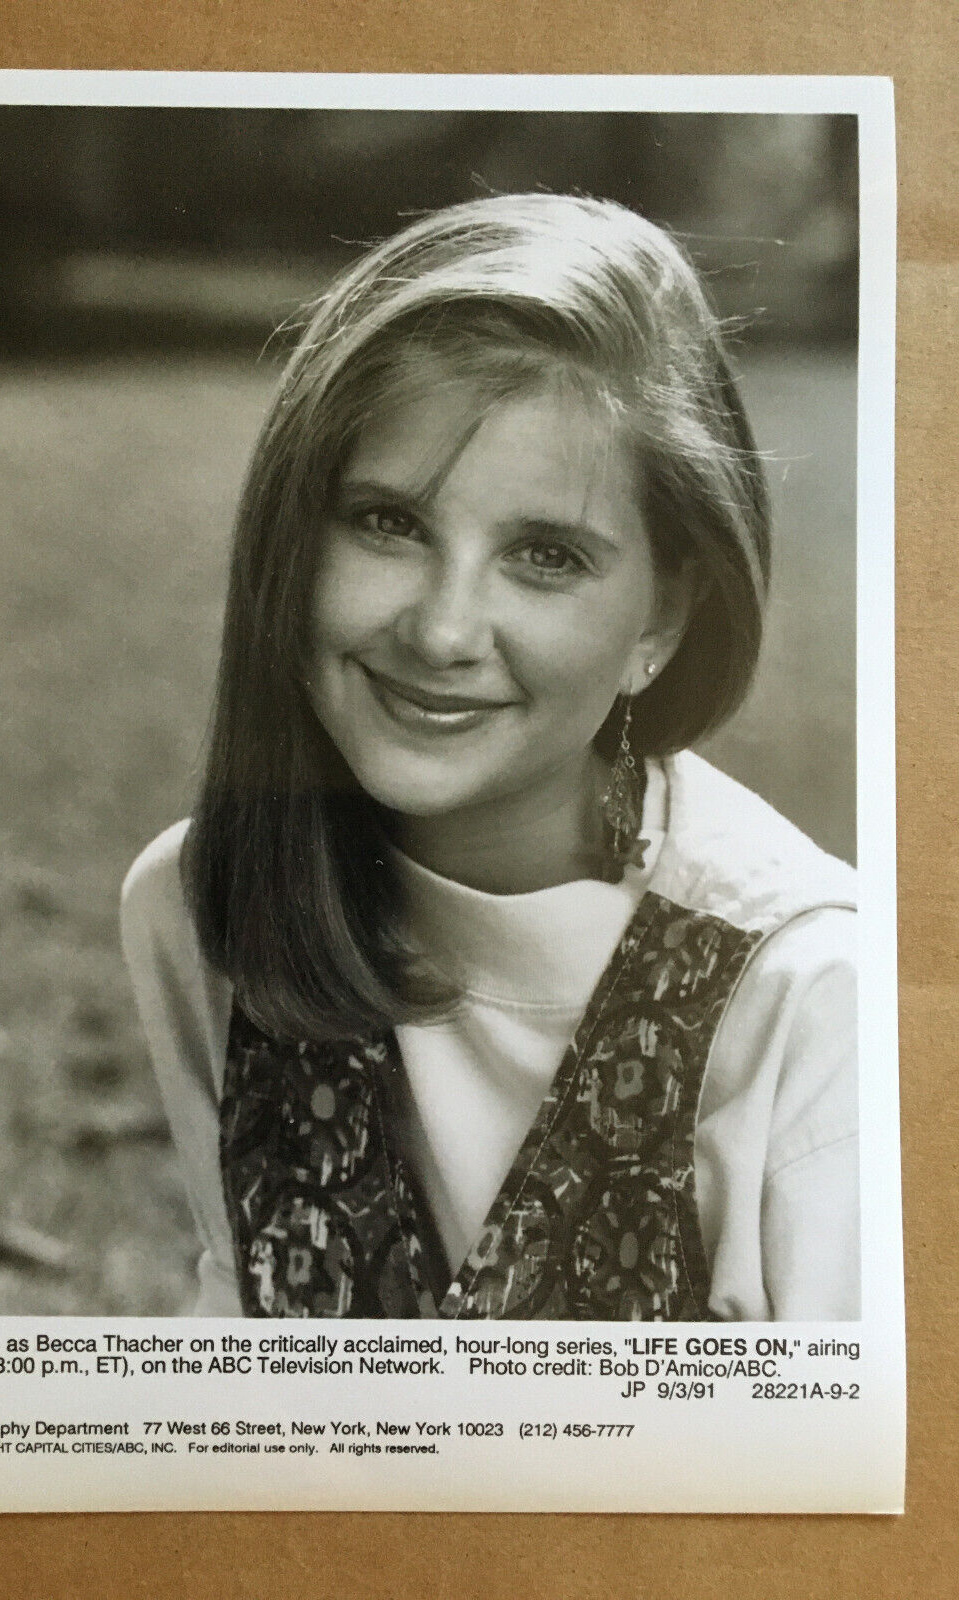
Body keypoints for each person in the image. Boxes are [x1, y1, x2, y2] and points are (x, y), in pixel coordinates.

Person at [122, 193, 858, 1322]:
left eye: (547, 556)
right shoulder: (204, 906)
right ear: (293, 535)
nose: (444, 631)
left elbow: (864, 1480)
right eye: (389, 523)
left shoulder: (808, 992)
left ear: (660, 621)